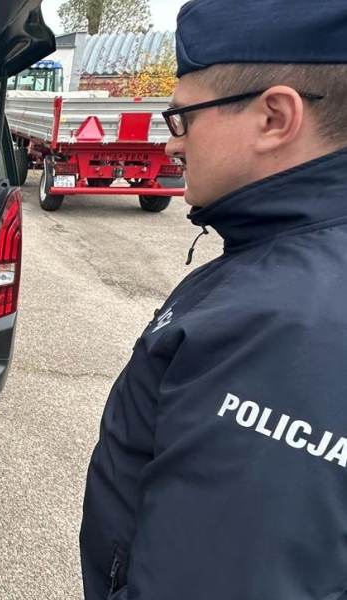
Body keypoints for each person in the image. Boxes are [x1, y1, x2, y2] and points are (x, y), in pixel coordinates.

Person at [78, 1, 347, 598]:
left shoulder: (285, 325)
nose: (171, 144)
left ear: (275, 117)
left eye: (181, 119)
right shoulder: (284, 265)